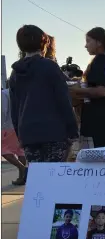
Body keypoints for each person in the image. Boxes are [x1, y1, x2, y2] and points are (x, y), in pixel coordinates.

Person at [10, 25, 78, 163]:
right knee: (54, 177)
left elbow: (15, 108)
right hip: (54, 132)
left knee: (38, 178)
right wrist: (72, 130)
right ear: (44, 43)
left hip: (28, 133)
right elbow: (63, 100)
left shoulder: (15, 73)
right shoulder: (50, 67)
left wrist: (20, 134)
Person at [70, 27, 105, 148]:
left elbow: (102, 91)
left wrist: (75, 90)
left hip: (98, 124)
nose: (85, 46)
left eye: (88, 41)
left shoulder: (100, 61)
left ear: (99, 42)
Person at [1, 85, 27, 185]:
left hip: (8, 125)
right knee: (20, 151)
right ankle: (22, 177)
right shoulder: (23, 93)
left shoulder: (4, 94)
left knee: (3, 150)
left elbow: (3, 111)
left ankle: (23, 169)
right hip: (21, 125)